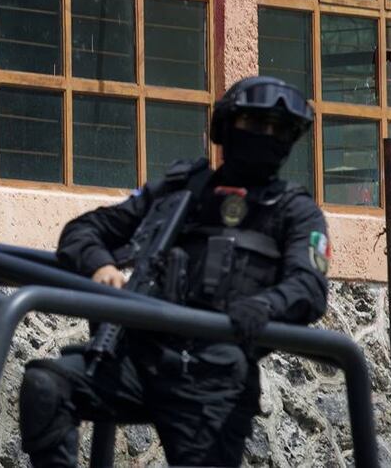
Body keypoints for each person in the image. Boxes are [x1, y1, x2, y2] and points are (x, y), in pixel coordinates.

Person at [18, 75, 331, 467]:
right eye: (253, 124)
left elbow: (310, 286)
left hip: (214, 382)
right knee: (47, 386)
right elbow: (84, 231)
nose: (264, 136)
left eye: (277, 129)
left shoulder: (295, 210)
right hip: (139, 361)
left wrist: (265, 305)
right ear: (225, 128)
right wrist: (101, 266)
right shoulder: (182, 189)